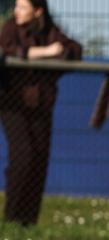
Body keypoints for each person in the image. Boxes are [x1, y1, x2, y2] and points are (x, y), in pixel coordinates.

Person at [0, 0, 81, 226]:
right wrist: (44, 52)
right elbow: (7, 50)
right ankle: (12, 217)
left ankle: (29, 220)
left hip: (41, 106)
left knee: (39, 159)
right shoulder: (11, 28)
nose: (16, 11)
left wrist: (56, 53)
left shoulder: (50, 30)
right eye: (16, 6)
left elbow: (73, 49)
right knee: (22, 156)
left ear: (37, 11)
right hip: (12, 104)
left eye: (22, 7)